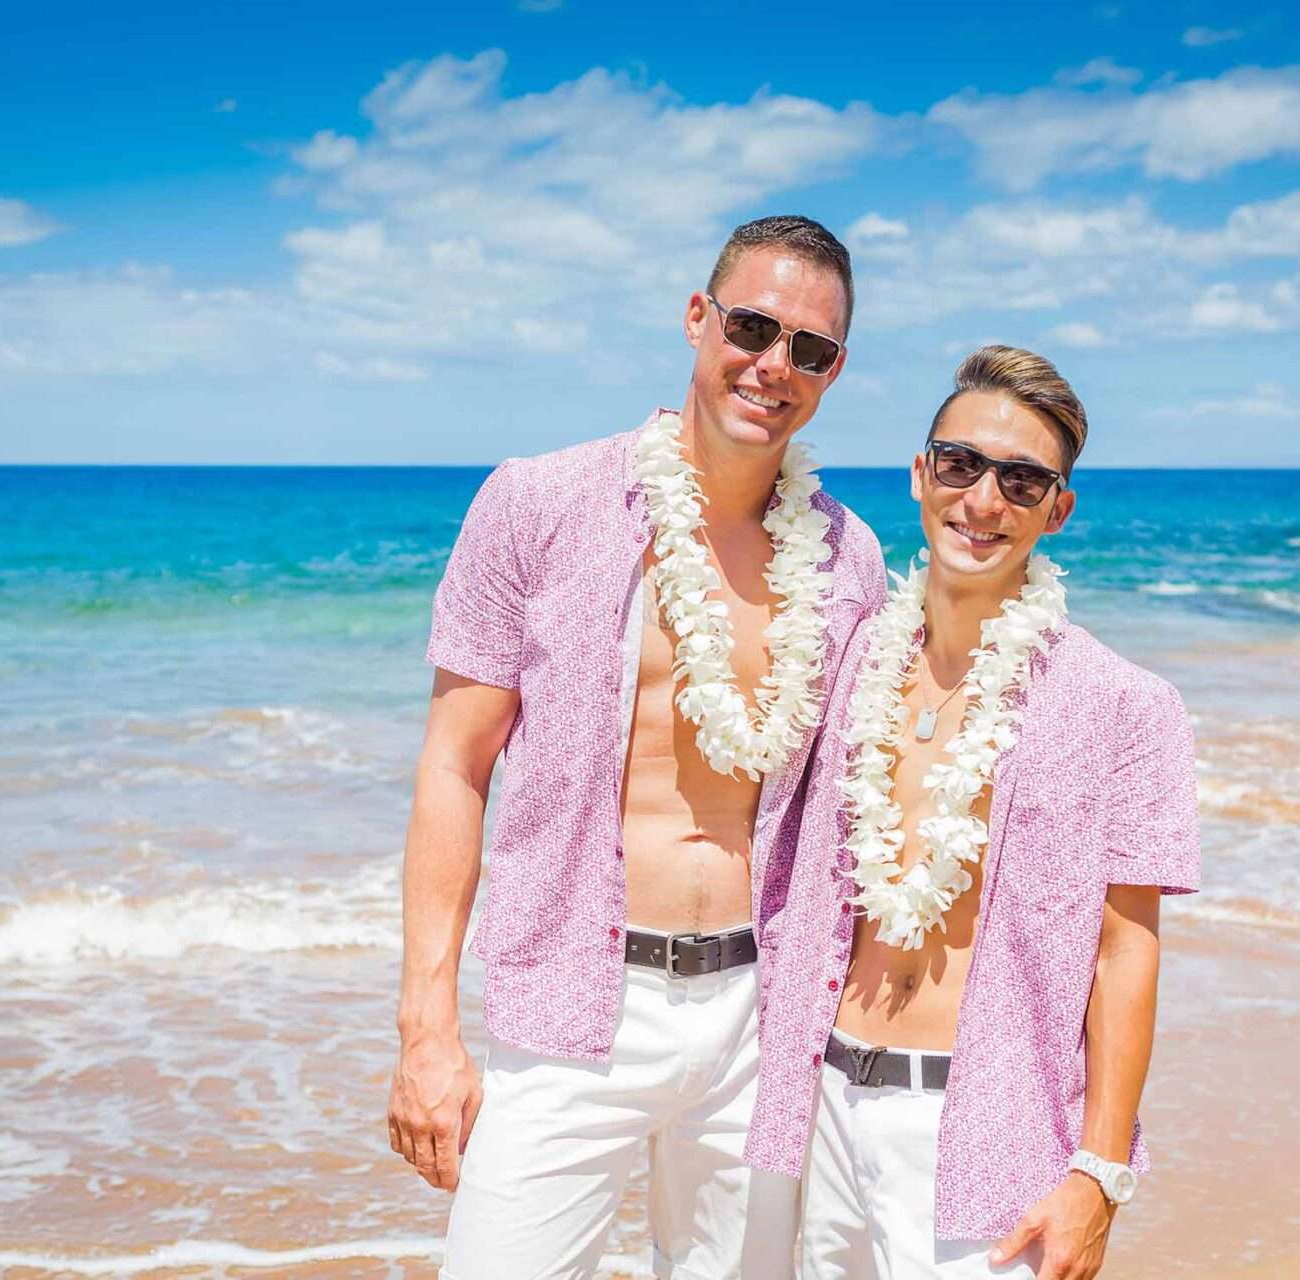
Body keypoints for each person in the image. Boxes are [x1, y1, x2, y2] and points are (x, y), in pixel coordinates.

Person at [389, 214, 887, 1279]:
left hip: (762, 1019)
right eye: (755, 326)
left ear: (835, 371)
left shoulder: (852, 559)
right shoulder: (539, 503)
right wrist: (426, 1026)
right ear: (699, 319)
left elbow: (864, 813)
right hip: (572, 1003)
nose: (774, 365)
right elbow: (454, 765)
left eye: (812, 349)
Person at [745, 345, 1200, 1279]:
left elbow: (1127, 952)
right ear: (922, 473)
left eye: (1023, 481)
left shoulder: (1127, 707)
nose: (983, 502)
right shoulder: (851, 656)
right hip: (820, 1108)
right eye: (960, 465)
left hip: (984, 1133)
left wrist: (1099, 1175)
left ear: (1057, 510)